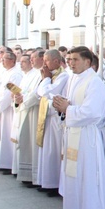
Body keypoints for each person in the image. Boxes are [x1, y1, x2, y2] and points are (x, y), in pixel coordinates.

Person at [53, 47, 105, 209]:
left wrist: (68, 109)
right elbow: (72, 106)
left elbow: (93, 113)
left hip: (87, 139)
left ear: (88, 62)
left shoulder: (94, 82)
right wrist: (61, 106)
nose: (70, 62)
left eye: (75, 59)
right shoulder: (76, 79)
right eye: (69, 59)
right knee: (75, 181)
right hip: (75, 136)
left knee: (88, 181)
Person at [35, 50, 69, 196]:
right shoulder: (50, 75)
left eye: (47, 60)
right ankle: (46, 181)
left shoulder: (63, 75)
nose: (44, 64)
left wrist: (46, 79)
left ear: (56, 61)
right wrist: (46, 80)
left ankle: (54, 184)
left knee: (54, 151)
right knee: (46, 151)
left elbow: (47, 92)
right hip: (47, 118)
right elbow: (39, 92)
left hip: (56, 119)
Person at [12, 51, 44, 184]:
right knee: (25, 141)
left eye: (33, 58)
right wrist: (18, 98)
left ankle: (34, 176)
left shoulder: (42, 74)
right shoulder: (29, 75)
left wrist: (23, 101)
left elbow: (37, 94)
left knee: (32, 143)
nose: (31, 61)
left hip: (35, 112)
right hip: (25, 110)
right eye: (30, 58)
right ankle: (26, 173)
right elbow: (23, 91)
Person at [0, 51, 22, 171]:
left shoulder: (16, 74)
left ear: (12, 61)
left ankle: (8, 163)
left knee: (7, 133)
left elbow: (9, 93)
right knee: (2, 134)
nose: (2, 61)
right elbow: (0, 90)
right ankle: (1, 161)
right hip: (1, 107)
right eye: (2, 59)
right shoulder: (5, 72)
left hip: (8, 109)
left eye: (4, 59)